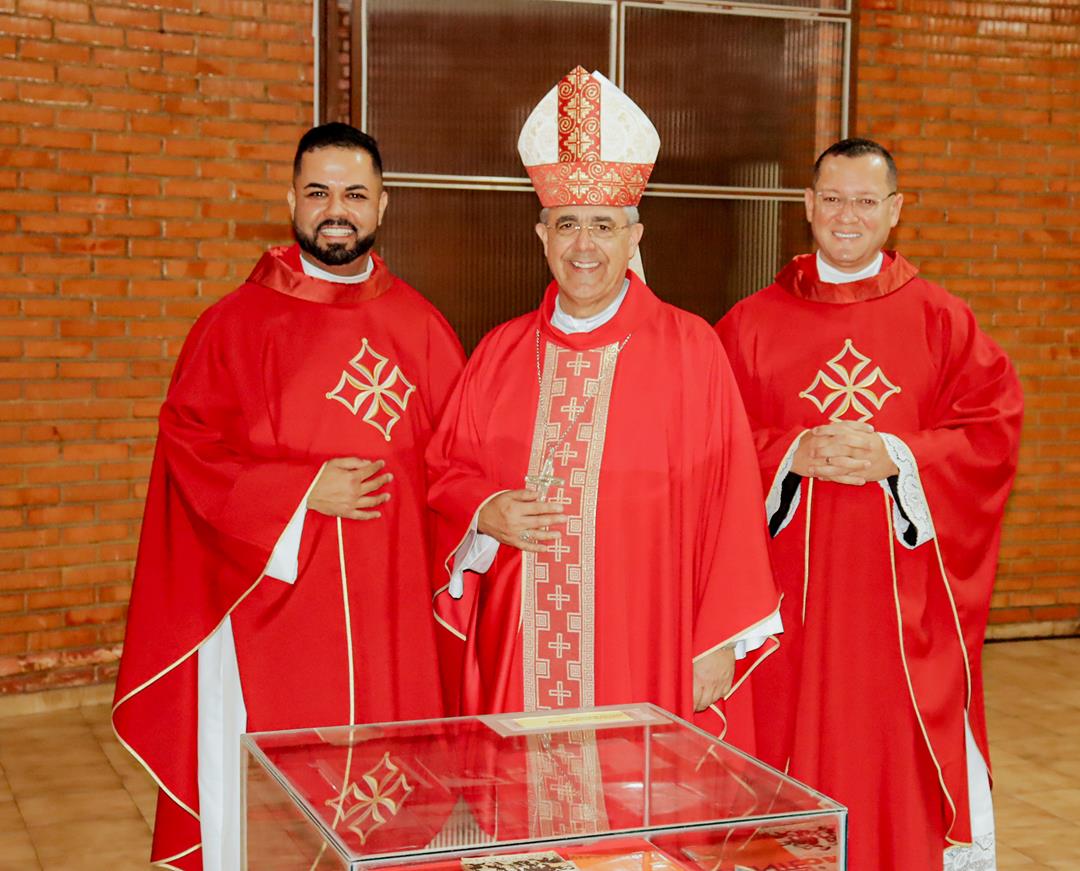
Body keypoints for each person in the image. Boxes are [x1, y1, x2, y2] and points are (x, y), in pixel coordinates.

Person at [112, 123, 465, 871]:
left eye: (355, 194)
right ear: (291, 201)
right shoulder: (232, 327)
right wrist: (302, 491)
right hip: (274, 615)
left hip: (394, 618)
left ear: (382, 205)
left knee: (396, 803)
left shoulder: (425, 328)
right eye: (319, 192)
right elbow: (190, 454)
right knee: (272, 821)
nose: (336, 210)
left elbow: (457, 464)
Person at [427, 67, 781, 751]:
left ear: (634, 236)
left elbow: (731, 499)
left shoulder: (691, 349)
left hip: (649, 643)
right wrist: (485, 509)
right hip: (520, 647)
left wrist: (717, 641)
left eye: (602, 225)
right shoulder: (500, 352)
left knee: (636, 800)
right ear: (542, 235)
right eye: (567, 225)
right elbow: (444, 469)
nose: (583, 246)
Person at [716, 138, 1023, 870]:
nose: (846, 216)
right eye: (832, 198)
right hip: (785, 610)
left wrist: (900, 456)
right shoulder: (748, 324)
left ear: (894, 210)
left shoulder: (943, 321)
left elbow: (992, 435)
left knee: (887, 762)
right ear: (807, 205)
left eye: (864, 201)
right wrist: (788, 453)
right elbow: (709, 444)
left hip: (899, 619)